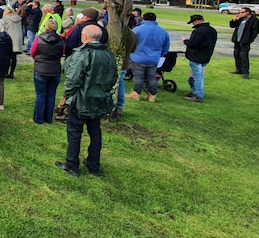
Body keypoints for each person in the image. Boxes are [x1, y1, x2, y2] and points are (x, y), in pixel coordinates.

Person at [56, 25, 118, 177]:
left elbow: (73, 80)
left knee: (75, 132)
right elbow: (114, 78)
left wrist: (64, 99)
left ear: (84, 37)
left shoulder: (84, 54)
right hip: (99, 100)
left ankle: (72, 164)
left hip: (82, 100)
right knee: (95, 131)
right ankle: (93, 165)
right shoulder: (108, 55)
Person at [127, 12, 170, 103]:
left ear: (143, 18)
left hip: (138, 57)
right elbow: (166, 46)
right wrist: (161, 54)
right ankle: (152, 95)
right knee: (152, 77)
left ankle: (136, 93)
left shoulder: (137, 29)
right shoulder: (163, 31)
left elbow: (130, 42)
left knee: (138, 77)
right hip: (154, 58)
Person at [30, 18, 64, 124]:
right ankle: (48, 118)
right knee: (51, 94)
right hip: (54, 69)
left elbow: (32, 52)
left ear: (46, 26)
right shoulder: (61, 40)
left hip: (41, 69)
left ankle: (39, 118)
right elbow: (62, 53)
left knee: (41, 95)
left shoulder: (38, 39)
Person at [183, 14, 218, 102]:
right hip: (206, 55)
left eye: (193, 23)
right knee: (196, 75)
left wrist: (185, 41)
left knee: (197, 76)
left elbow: (193, 43)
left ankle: (198, 95)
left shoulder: (199, 31)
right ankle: (194, 92)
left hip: (196, 56)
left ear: (196, 21)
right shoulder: (212, 30)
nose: (193, 25)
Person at [230, 6, 259, 79]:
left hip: (245, 41)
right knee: (236, 54)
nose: (240, 13)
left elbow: (255, 31)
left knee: (243, 56)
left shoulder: (254, 20)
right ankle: (239, 69)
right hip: (237, 40)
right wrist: (234, 20)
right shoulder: (240, 19)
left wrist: (249, 40)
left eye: (242, 12)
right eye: (240, 12)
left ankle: (245, 72)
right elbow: (232, 26)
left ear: (248, 12)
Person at [0, 6, 23, 79]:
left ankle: (6, 72)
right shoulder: (18, 19)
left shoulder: (5, 19)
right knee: (14, 57)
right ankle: (12, 73)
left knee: (7, 57)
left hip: (9, 38)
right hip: (17, 38)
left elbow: (2, 29)